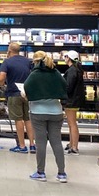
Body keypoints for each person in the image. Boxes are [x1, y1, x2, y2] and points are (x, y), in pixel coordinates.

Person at [24, 51, 68, 182]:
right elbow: (64, 86)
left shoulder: (34, 74)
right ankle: (62, 173)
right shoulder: (56, 73)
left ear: (36, 61)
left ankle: (41, 172)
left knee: (41, 143)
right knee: (57, 142)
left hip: (38, 112)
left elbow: (26, 88)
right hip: (56, 111)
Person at [0, 42, 34, 153]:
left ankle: (22, 146)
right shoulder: (28, 61)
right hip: (27, 94)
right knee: (28, 119)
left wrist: (2, 85)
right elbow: (34, 74)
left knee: (18, 120)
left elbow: (1, 77)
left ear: (9, 50)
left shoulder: (7, 62)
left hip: (14, 93)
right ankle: (32, 145)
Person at [63, 50, 86, 155]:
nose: (64, 58)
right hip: (74, 100)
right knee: (71, 123)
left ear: (69, 58)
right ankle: (71, 143)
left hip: (71, 100)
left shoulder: (72, 70)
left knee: (72, 123)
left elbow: (69, 86)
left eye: (65, 56)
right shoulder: (77, 69)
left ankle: (74, 147)